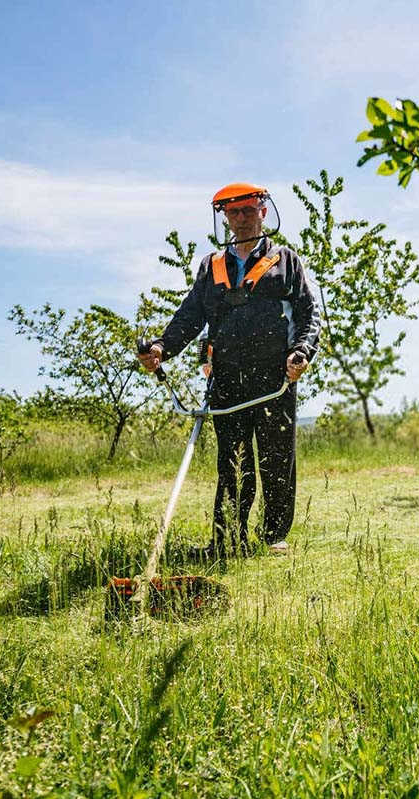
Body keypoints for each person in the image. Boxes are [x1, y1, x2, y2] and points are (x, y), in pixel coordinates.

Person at [138, 183, 320, 557]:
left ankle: (273, 537)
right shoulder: (211, 266)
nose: (240, 218)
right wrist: (161, 347)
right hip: (225, 376)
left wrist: (301, 352)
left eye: (248, 210)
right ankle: (226, 540)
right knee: (232, 460)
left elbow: (309, 314)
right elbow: (190, 316)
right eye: (233, 212)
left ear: (263, 212)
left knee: (275, 456)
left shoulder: (286, 260)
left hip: (274, 376)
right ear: (223, 217)